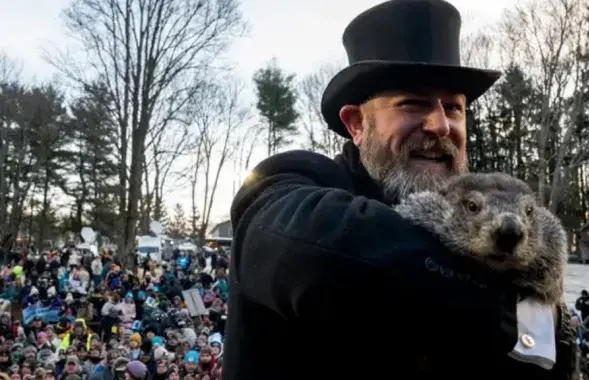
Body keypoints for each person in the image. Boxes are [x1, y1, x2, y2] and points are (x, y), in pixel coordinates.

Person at [223, 1, 577, 379]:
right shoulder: (291, 180)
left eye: (454, 109)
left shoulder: (488, 202)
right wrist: (520, 314)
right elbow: (313, 254)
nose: (441, 125)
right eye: (413, 103)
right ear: (357, 123)